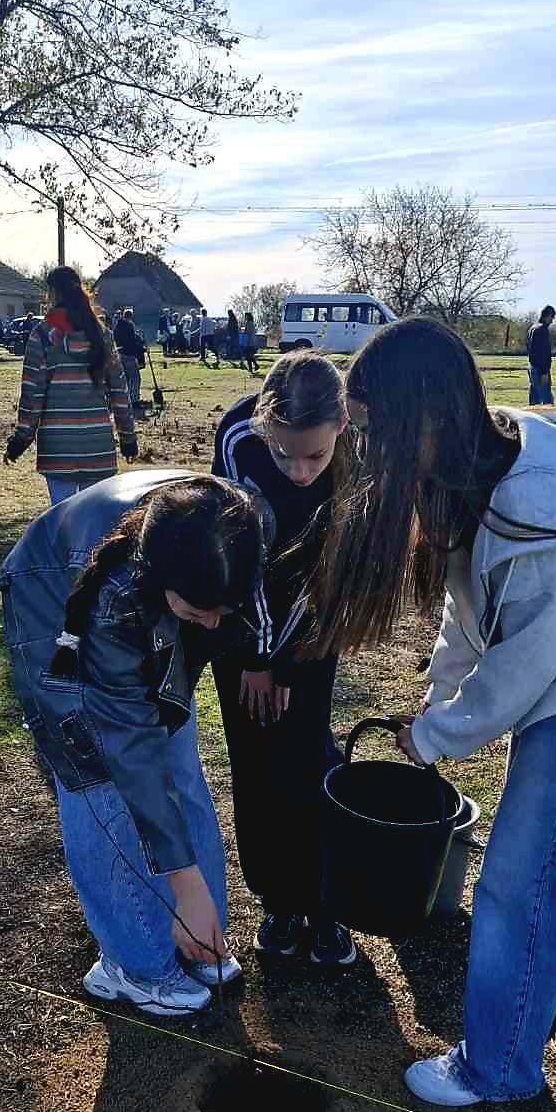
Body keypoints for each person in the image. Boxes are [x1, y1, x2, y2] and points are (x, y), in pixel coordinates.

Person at [305, 317, 556, 1106]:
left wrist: (440, 735)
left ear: (420, 418)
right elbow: (470, 614)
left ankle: (498, 1066)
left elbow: (522, 667)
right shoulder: (468, 467)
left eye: (373, 433)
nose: (364, 453)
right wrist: (437, 699)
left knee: (519, 873)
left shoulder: (542, 515)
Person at [0, 471, 268, 1016]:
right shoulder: (116, 594)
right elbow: (130, 747)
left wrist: (195, 895)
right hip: (54, 610)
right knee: (96, 781)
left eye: (223, 611)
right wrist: (184, 881)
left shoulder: (238, 532)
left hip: (146, 610)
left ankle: (200, 939)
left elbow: (209, 630)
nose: (215, 626)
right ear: (162, 583)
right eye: (198, 613)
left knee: (182, 767)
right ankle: (133, 965)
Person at [211, 351, 357, 968]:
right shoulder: (239, 440)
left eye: (314, 457)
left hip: (314, 626)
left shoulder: (359, 457)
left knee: (308, 754)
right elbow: (242, 562)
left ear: (341, 431)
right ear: (265, 431)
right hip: (240, 627)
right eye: (284, 454)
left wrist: (288, 665)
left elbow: (329, 573)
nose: (299, 471)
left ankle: (326, 903)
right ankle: (277, 899)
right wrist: (254, 657)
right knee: (254, 758)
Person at [4, 265, 137, 506]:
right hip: (98, 446)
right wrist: (128, 437)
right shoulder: (103, 335)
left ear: (52, 294)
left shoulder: (42, 335)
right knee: (96, 525)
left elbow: (32, 395)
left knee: (63, 521)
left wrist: (21, 439)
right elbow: (120, 392)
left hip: (58, 448)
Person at [112, 305, 147, 411]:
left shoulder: (118, 326)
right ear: (130, 317)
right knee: (135, 378)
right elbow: (131, 341)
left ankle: (124, 400)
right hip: (128, 355)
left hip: (120, 354)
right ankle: (134, 400)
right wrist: (142, 348)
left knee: (125, 378)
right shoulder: (128, 326)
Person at [526, 305, 555, 404]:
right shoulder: (542, 329)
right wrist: (544, 372)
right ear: (547, 316)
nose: (552, 321)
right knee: (547, 401)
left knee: (534, 402)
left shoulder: (532, 328)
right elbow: (543, 353)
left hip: (532, 367)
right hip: (540, 370)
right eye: (552, 317)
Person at [241, 310, 259, 374]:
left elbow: (248, 332)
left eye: (246, 316)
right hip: (252, 341)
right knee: (249, 355)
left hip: (249, 341)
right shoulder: (251, 323)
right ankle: (254, 366)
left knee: (247, 355)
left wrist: (243, 331)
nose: (245, 317)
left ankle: (253, 367)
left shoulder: (249, 323)